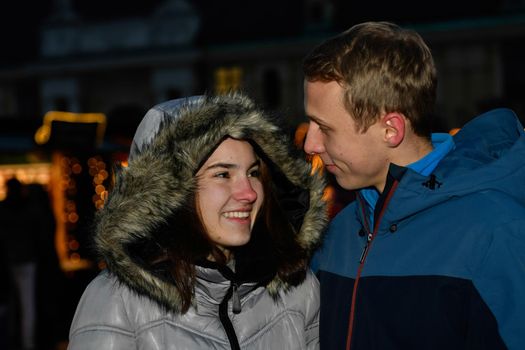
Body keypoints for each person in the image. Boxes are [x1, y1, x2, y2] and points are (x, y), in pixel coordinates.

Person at [302, 21, 525, 349]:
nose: (310, 144)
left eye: (324, 127)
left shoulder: (496, 230)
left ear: (390, 129)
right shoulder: (341, 231)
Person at [67, 93, 328, 349]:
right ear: (168, 192)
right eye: (223, 174)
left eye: (253, 172)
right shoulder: (118, 301)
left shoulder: (296, 287)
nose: (249, 193)